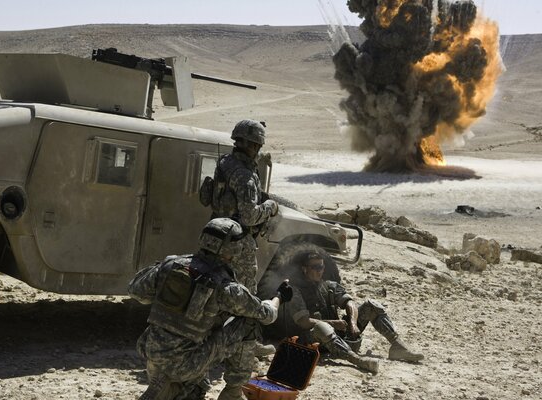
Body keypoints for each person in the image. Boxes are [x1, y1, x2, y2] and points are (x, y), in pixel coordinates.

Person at [128, 218, 293, 400]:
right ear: (233, 249)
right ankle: (233, 392)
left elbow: (136, 291)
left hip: (151, 353)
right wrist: (278, 297)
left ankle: (178, 387)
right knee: (249, 321)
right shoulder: (225, 286)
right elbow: (267, 314)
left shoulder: (171, 265)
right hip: (186, 365)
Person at [270, 251, 424, 374]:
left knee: (371, 305)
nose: (320, 271)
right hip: (313, 340)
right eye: (315, 267)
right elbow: (303, 321)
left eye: (321, 267)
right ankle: (357, 360)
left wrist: (352, 322)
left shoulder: (328, 286)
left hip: (340, 334)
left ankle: (397, 345)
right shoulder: (296, 291)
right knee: (322, 327)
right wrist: (333, 323)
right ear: (305, 269)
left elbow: (349, 302)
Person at [205, 119, 278, 295]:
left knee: (212, 288)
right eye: (258, 147)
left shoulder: (225, 162)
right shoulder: (245, 177)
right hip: (237, 242)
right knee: (243, 294)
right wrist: (270, 207)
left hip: (213, 235)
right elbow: (249, 217)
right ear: (253, 146)